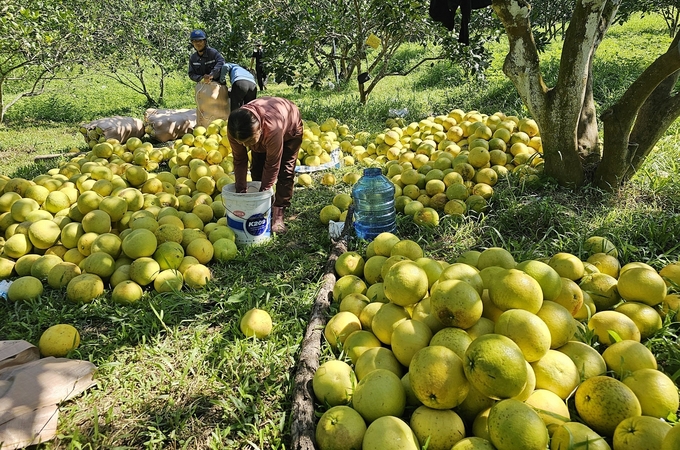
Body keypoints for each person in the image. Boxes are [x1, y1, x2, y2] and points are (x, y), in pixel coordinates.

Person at [227, 97, 303, 234]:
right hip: (265, 130)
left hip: (289, 128)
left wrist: (264, 193)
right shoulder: (235, 129)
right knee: (257, 169)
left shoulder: (272, 127)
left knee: (285, 170)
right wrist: (241, 193)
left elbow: (273, 164)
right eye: (241, 142)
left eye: (249, 140)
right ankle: (266, 204)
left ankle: (278, 212)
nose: (245, 146)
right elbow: (240, 160)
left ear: (260, 130)